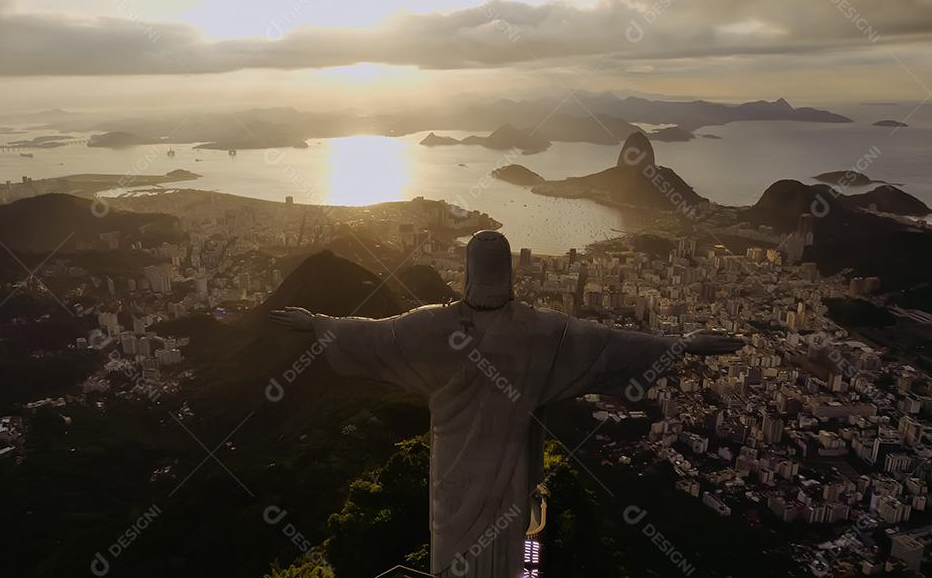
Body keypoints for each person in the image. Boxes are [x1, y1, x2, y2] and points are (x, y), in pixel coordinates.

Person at [270, 230, 743, 578]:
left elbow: (375, 336)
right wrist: (681, 344)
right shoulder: (544, 333)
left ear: (468, 272)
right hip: (513, 472)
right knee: (511, 555)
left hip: (452, 477)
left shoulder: (432, 327)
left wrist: (317, 324)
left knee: (451, 556)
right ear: (510, 272)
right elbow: (611, 346)